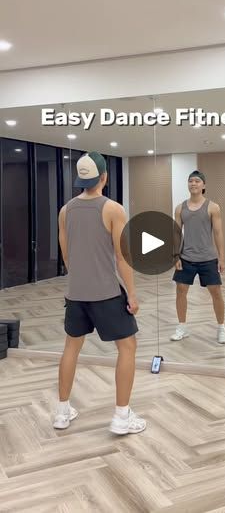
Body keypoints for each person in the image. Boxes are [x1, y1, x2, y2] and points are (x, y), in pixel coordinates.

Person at [53, 151, 146, 435]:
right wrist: (131, 293)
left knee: (71, 348)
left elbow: (66, 255)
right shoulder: (113, 209)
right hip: (106, 293)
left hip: (76, 293)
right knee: (127, 347)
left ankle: (61, 412)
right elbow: (122, 257)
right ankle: (121, 416)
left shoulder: (65, 210)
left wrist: (80, 278)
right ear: (104, 176)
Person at [171, 170, 225, 344]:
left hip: (208, 258)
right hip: (186, 257)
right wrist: (176, 256)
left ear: (203, 185)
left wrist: (222, 258)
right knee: (180, 291)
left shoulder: (213, 207)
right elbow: (176, 233)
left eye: (197, 181)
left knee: (216, 293)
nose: (193, 184)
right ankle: (182, 327)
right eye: (190, 181)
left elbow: (218, 233)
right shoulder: (180, 208)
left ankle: (221, 328)